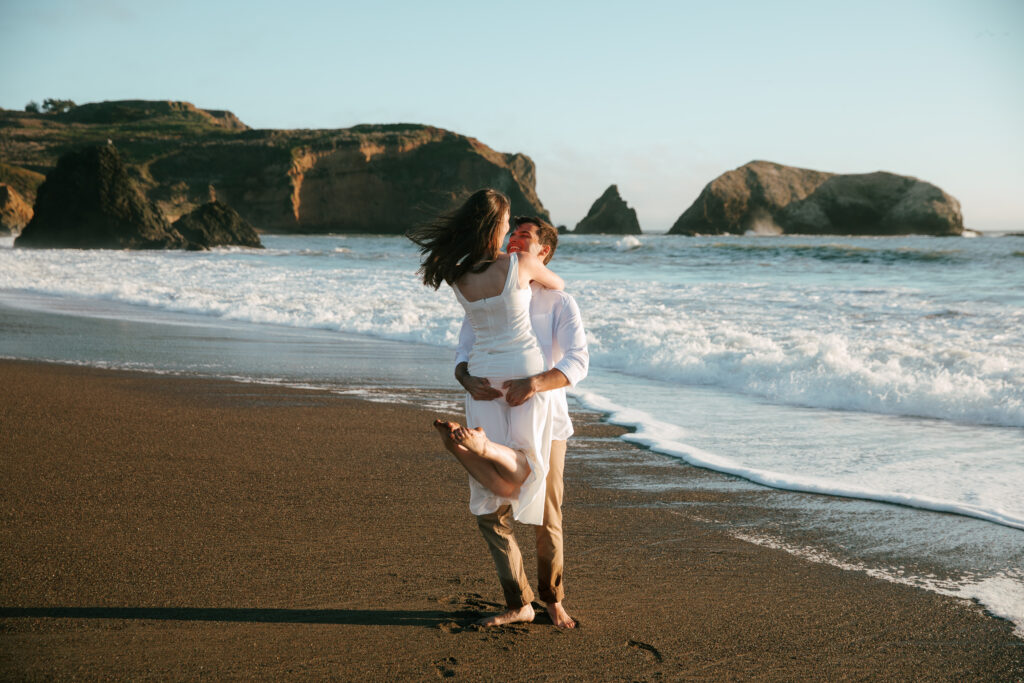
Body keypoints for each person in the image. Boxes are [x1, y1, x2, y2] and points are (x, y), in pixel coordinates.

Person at [454, 215, 589, 629]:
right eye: (512, 234)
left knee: (547, 515)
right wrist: (467, 379)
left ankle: (552, 598)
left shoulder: (559, 302)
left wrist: (535, 383)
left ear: (543, 252)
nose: (514, 240)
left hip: (546, 423)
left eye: (524, 236)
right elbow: (463, 352)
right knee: (490, 509)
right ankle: (518, 601)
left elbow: (578, 362)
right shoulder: (491, 289)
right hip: (491, 413)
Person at [407, 189, 564, 529]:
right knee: (530, 469)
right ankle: (485, 448)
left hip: (480, 376)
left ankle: (462, 448)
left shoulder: (457, 274)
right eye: (508, 223)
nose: (510, 231)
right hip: (523, 370)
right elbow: (558, 283)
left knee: (504, 485)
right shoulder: (520, 264)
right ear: (496, 225)